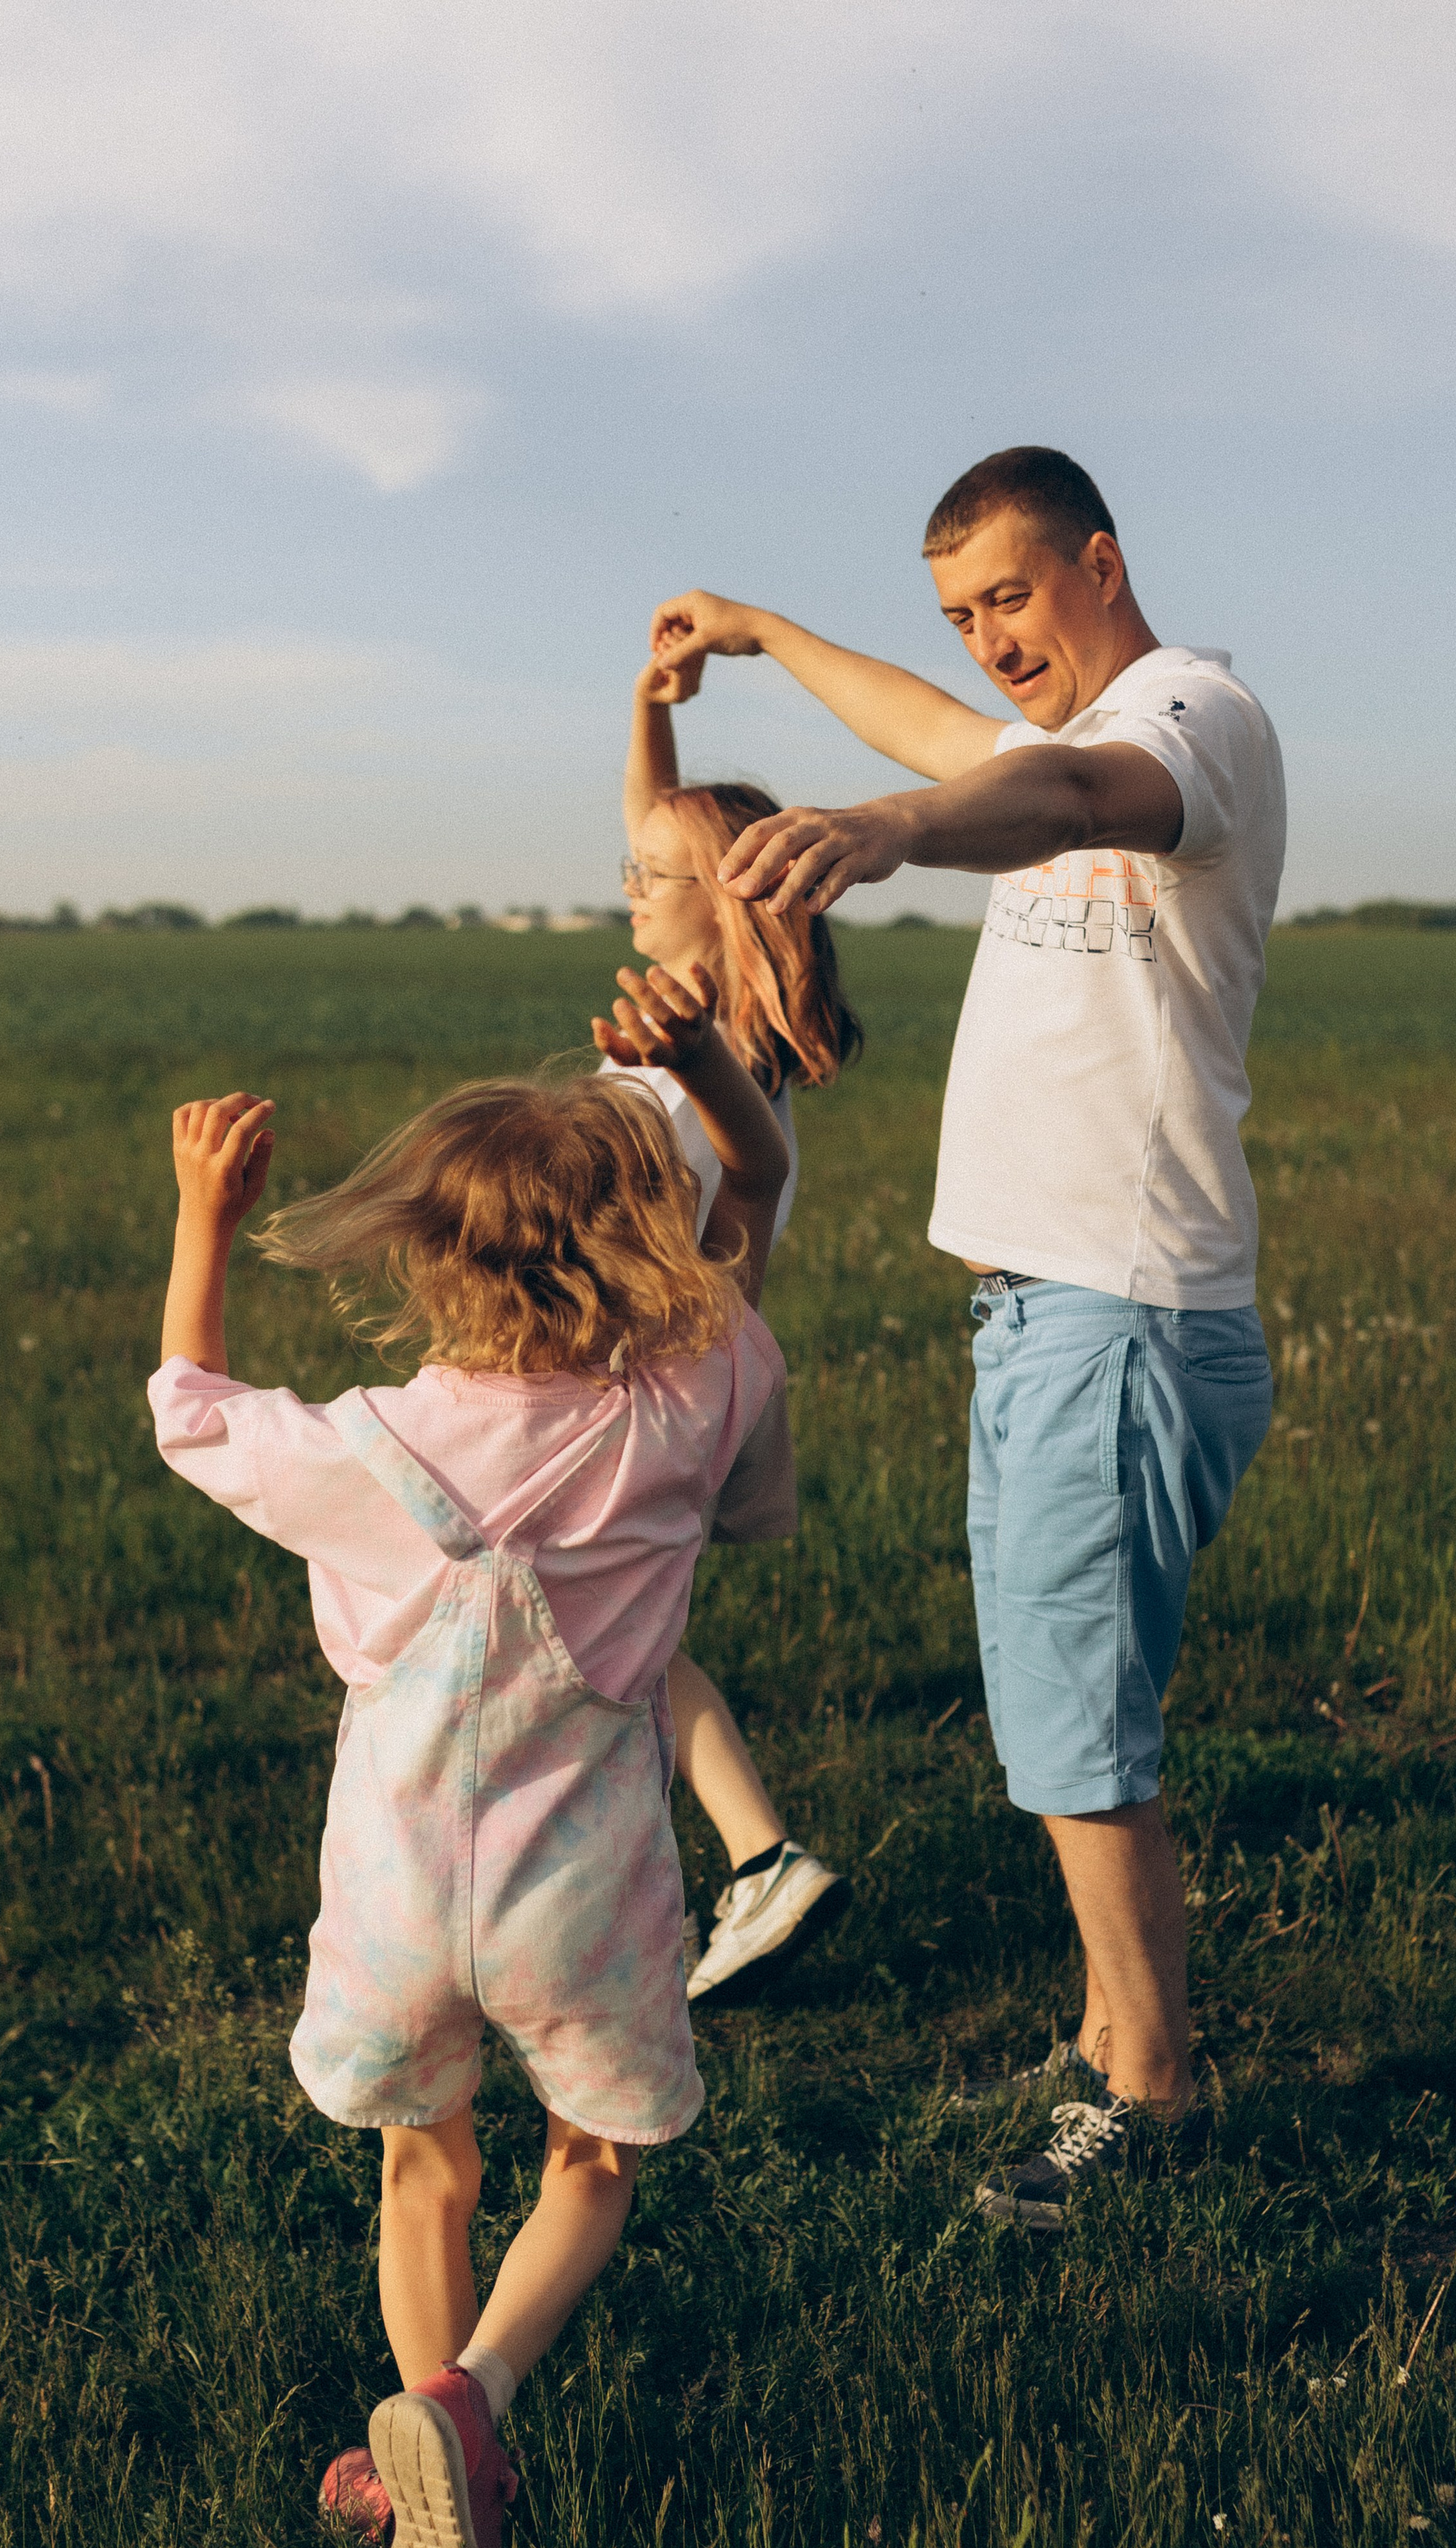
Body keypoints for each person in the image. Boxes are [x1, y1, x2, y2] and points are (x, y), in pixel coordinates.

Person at [648, 445, 1282, 2228]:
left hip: (1122, 1311)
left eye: (1010, 594)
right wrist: (764, 633)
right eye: (960, 614)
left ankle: (1149, 2099)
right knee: (1055, 1707)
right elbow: (946, 731)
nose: (988, 638)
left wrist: (890, 829)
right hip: (1042, 1314)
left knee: (1078, 1732)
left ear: (1101, 561)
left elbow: (1056, 786)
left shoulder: (1191, 716)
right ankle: (1106, 2037)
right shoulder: (1039, 737)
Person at [147, 956, 789, 2548]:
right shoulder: (699, 1394)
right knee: (592, 2157)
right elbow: (757, 1206)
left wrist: (208, 1217)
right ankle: (473, 2401)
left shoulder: (363, 1444)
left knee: (420, 2167)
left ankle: (430, 2450)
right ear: (648, 1239)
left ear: (431, 1253)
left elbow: (188, 1413)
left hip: (394, 1892)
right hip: (584, 1892)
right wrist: (709, 1076)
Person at [611, 646, 862, 2001]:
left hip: (646, 1388)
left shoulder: (679, 1073)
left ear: (717, 905)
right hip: (705, 1385)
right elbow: (659, 829)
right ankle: (720, 1868)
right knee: (620, 1636)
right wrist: (651, 703)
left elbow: (631, 1262)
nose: (626, 887)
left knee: (614, 1636)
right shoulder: (729, 1042)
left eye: (651, 878)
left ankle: (757, 1862)